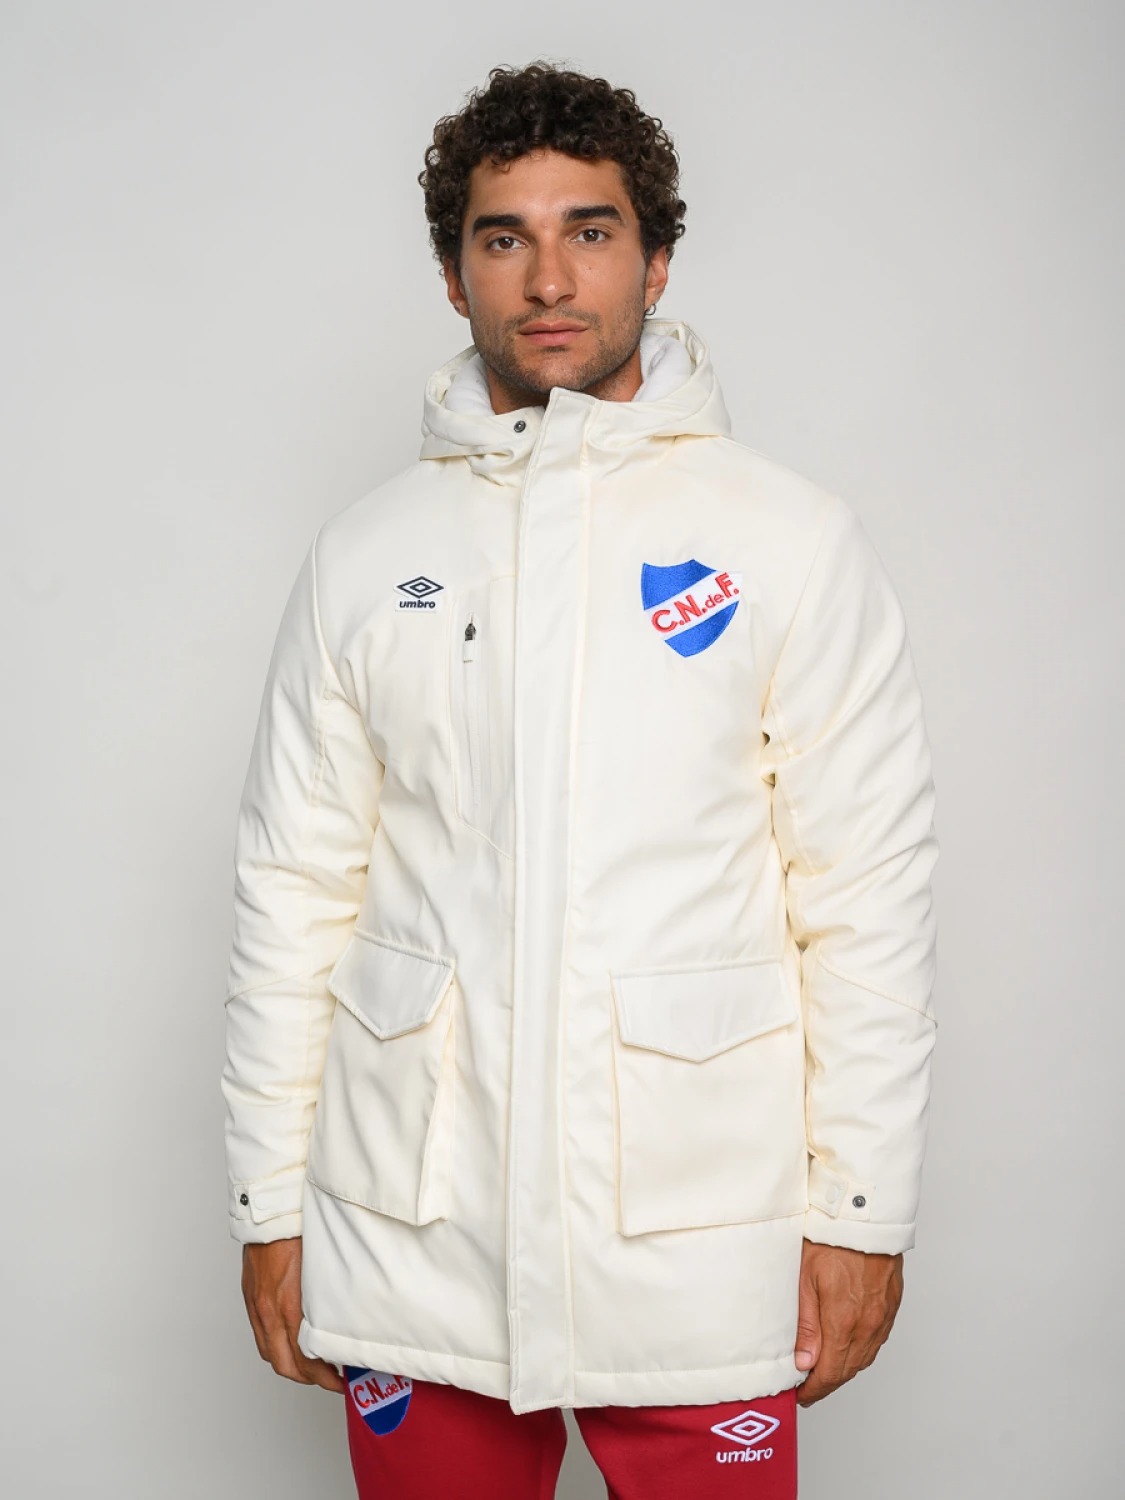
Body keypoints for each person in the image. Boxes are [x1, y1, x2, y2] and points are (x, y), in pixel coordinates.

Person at [221, 60, 939, 1500]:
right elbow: (292, 896)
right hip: (414, 1231)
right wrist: (267, 1203)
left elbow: (864, 899)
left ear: (656, 260)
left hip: (697, 1240)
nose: (549, 278)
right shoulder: (366, 555)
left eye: (591, 231)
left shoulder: (786, 540)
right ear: (453, 275)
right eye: (504, 237)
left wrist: (861, 1211)